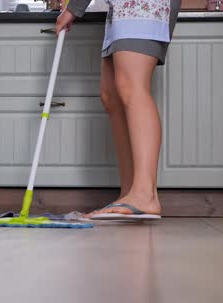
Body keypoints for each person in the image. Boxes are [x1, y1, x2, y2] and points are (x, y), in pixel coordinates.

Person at [56, 0, 181, 221]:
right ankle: (129, 195)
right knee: (111, 96)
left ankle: (145, 195)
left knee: (132, 87)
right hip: (121, 6)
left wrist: (75, 7)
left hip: (143, 5)